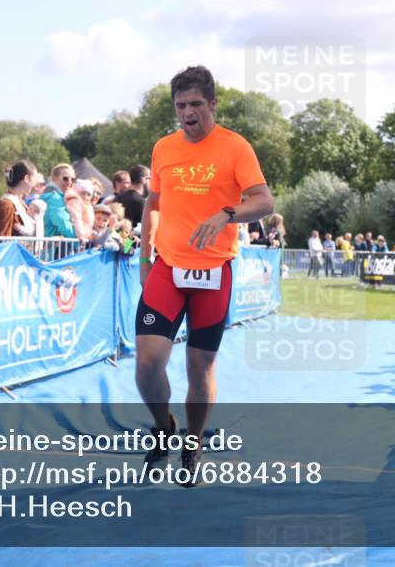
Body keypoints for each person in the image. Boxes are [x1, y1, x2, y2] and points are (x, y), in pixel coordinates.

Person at [136, 66, 274, 483]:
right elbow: (153, 204)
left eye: (196, 104)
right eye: (181, 105)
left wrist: (226, 214)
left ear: (213, 104)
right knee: (147, 364)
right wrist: (145, 258)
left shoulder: (235, 147)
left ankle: (192, 444)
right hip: (168, 267)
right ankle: (164, 428)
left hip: (214, 272)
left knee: (199, 368)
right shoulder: (164, 148)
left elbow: (264, 201)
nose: (188, 113)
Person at [0, 161, 37, 237]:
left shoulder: (19, 202)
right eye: (35, 178)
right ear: (27, 179)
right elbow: (2, 239)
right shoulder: (7, 204)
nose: (36, 184)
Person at [40, 164, 78, 238]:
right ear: (54, 179)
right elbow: (63, 225)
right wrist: (79, 242)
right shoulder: (55, 199)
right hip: (53, 247)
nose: (69, 182)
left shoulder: (53, 196)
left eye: (73, 179)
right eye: (65, 178)